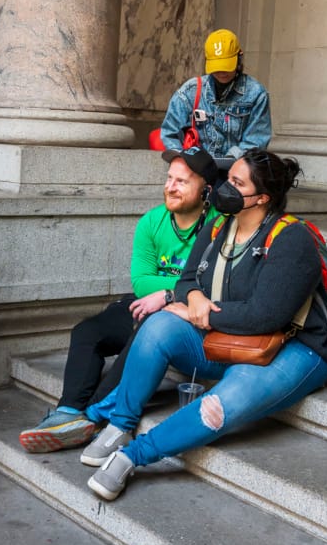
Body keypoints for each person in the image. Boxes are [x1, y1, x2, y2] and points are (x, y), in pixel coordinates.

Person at [83, 149, 327, 500]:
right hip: (230, 337)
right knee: (158, 326)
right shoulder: (220, 225)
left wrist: (199, 313)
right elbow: (187, 280)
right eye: (227, 179)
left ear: (262, 198)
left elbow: (266, 316)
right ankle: (120, 424)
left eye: (237, 184)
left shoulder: (291, 238)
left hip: (293, 347)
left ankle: (133, 456)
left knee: (224, 400)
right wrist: (193, 298)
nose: (225, 189)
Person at [19, 147, 220, 453]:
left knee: (147, 329)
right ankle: (68, 412)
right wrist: (177, 287)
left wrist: (169, 294)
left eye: (182, 181)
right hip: (147, 302)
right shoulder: (152, 222)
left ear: (206, 190)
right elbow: (141, 282)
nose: (171, 187)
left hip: (185, 318)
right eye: (169, 178)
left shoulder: (220, 227)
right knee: (88, 331)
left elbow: (214, 282)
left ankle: (90, 416)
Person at [158, 29, 271, 161]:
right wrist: (182, 160)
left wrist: (229, 161)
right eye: (217, 67)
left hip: (237, 167)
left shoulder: (256, 94)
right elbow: (170, 133)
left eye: (226, 66)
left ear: (239, 59)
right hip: (195, 168)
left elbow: (256, 140)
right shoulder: (189, 92)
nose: (222, 72)